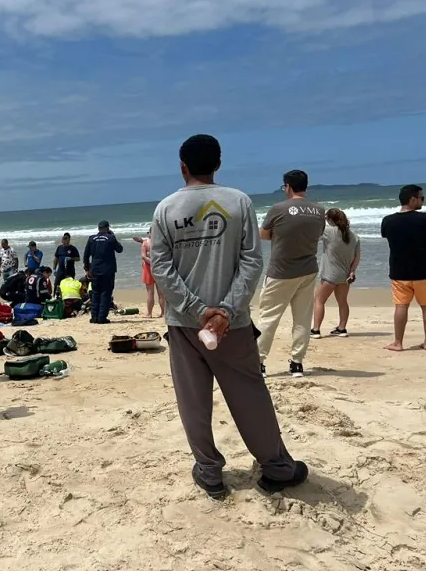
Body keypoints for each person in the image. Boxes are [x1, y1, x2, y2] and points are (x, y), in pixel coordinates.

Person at [152, 134, 307, 499]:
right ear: (218, 164)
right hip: (232, 325)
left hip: (184, 324)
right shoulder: (238, 201)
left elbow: (161, 266)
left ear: (182, 166)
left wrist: (195, 308)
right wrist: (226, 311)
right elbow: (252, 261)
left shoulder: (166, 209)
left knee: (193, 399)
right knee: (250, 394)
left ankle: (208, 471)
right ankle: (277, 468)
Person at [257, 170, 325, 378]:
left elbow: (264, 235)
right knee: (302, 319)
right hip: (307, 269)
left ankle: (258, 361)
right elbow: (319, 233)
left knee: (268, 317)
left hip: (281, 270)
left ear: (287, 186)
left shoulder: (278, 209)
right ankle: (297, 363)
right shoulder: (319, 210)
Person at [381, 185, 426, 352]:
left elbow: (387, 236)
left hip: (399, 270)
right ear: (412, 199)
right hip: (424, 270)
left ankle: (398, 343)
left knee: (401, 306)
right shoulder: (425, 218)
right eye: (421, 198)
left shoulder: (388, 220)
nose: (422, 201)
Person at [311, 209, 361, 339]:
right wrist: (352, 271)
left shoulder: (328, 232)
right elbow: (356, 258)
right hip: (345, 276)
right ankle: (342, 328)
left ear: (330, 220)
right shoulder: (354, 236)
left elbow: (314, 230)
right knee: (342, 302)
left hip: (330, 274)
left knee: (319, 301)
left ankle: (316, 330)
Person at [84, 221, 123, 324]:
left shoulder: (91, 238)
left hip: (94, 270)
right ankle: (102, 317)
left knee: (95, 293)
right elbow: (120, 249)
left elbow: (86, 255)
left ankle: (94, 317)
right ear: (107, 228)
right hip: (107, 270)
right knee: (106, 293)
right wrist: (113, 235)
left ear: (98, 228)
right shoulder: (110, 238)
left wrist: (87, 269)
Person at [134, 229, 166, 318]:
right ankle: (163, 313)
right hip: (159, 268)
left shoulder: (146, 243)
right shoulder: (161, 242)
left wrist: (152, 263)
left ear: (150, 233)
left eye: (148, 232)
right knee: (161, 292)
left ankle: (149, 313)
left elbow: (143, 256)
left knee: (150, 292)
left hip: (149, 268)